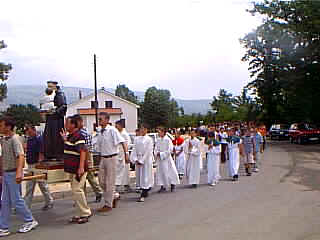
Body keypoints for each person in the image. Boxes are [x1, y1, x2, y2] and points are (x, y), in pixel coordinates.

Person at [0, 117, 38, 237]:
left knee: (16, 200)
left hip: (12, 173)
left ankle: (30, 220)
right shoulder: (4, 139)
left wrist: (19, 172)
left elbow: (21, 156)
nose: (0, 128)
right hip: (6, 173)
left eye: (1, 125)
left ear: (8, 126)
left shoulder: (15, 139)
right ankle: (3, 226)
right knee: (5, 201)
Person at [60, 116, 91, 224]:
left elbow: (82, 151)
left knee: (77, 190)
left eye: (67, 124)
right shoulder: (70, 136)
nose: (65, 126)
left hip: (78, 169)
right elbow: (70, 148)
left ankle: (85, 213)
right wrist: (65, 139)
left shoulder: (79, 136)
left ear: (73, 125)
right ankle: (79, 214)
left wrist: (81, 167)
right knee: (75, 191)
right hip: (72, 169)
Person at [95, 112, 129, 212]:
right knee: (101, 181)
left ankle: (108, 204)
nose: (99, 121)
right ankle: (114, 195)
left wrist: (127, 154)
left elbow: (122, 141)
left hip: (112, 158)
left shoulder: (112, 130)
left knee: (110, 182)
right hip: (103, 158)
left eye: (101, 119)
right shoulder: (100, 131)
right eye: (99, 119)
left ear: (107, 120)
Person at [73, 115, 103, 203]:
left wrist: (88, 161)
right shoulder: (76, 133)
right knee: (82, 178)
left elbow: (88, 149)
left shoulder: (84, 134)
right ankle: (83, 197)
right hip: (79, 156)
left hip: (86, 155)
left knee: (90, 176)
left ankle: (98, 192)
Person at [23, 125, 54, 210]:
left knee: (42, 185)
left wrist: (40, 164)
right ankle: (26, 206)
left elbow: (41, 152)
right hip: (30, 164)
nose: (28, 133)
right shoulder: (29, 139)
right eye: (27, 132)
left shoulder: (39, 139)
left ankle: (49, 201)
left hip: (37, 164)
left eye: (29, 132)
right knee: (30, 186)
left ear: (34, 130)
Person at [43, 81, 67, 160]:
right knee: (49, 137)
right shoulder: (51, 95)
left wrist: (55, 112)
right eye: (48, 86)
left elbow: (63, 106)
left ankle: (57, 154)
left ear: (54, 86)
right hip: (51, 118)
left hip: (56, 120)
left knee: (55, 137)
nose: (48, 88)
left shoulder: (60, 94)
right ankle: (50, 154)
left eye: (50, 86)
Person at [130, 125, 154, 202]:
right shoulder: (137, 139)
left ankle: (144, 193)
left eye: (144, 129)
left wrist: (142, 160)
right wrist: (135, 159)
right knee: (140, 176)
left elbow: (148, 151)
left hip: (146, 160)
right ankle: (144, 190)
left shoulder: (149, 139)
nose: (142, 131)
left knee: (145, 176)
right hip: (138, 158)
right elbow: (134, 149)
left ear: (146, 130)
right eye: (141, 129)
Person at [155, 127, 180, 193]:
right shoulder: (158, 140)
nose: (158, 133)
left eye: (159, 132)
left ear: (163, 132)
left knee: (170, 171)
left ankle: (172, 184)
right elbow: (155, 148)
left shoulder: (168, 140)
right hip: (160, 159)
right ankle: (162, 186)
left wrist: (161, 154)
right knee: (161, 173)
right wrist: (156, 153)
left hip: (167, 159)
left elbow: (170, 149)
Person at [115, 119, 132, 193]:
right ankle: (119, 186)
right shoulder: (117, 133)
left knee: (125, 171)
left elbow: (127, 145)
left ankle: (126, 185)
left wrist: (126, 154)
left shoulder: (124, 134)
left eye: (117, 125)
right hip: (118, 154)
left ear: (120, 126)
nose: (115, 126)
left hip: (123, 154)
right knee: (119, 171)